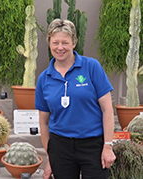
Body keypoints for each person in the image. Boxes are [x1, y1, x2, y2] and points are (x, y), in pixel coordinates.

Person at [35, 18, 116, 179]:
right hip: (60, 148)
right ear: (49, 44)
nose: (60, 48)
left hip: (93, 145)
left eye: (65, 42)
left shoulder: (92, 67)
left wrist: (108, 146)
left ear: (74, 43)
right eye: (55, 42)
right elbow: (44, 122)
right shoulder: (44, 79)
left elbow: (107, 110)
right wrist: (50, 157)